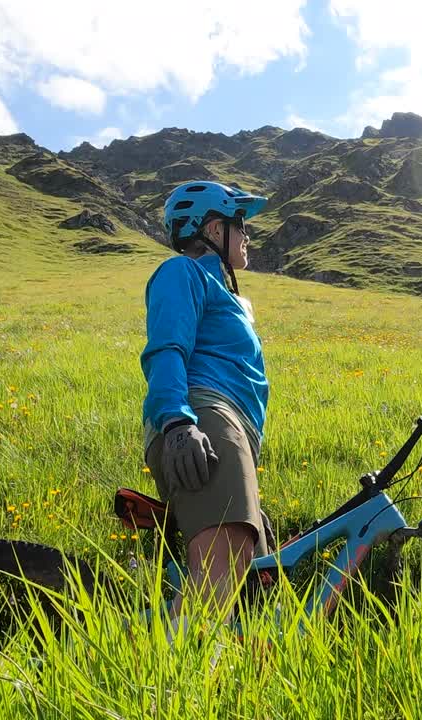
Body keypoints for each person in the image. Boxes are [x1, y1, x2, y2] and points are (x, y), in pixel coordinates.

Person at [140, 180, 271, 628]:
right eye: (241, 225)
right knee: (214, 594)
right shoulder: (183, 273)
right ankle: (124, 680)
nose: (248, 237)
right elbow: (166, 350)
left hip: (228, 428)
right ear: (215, 229)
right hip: (204, 418)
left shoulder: (228, 297)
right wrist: (177, 422)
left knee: (248, 614)